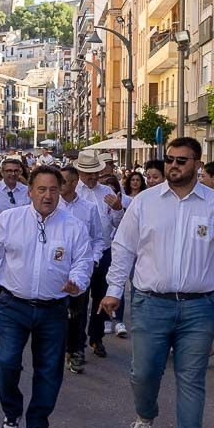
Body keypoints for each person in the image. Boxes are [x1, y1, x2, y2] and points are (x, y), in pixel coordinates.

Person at [100, 137, 214, 428]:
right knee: (144, 372)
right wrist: (112, 290)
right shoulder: (145, 203)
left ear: (198, 164)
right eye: (170, 159)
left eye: (182, 160)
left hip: (201, 305)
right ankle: (144, 416)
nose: (174, 166)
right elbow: (123, 248)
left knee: (192, 377)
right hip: (151, 303)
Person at [0, 166, 92, 428]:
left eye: (53, 189)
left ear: (61, 191)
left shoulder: (73, 225)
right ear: (30, 192)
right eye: (41, 189)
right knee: (6, 361)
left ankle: (38, 421)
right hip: (14, 305)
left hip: (54, 308)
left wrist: (76, 280)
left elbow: (84, 262)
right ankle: (11, 413)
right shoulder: (9, 219)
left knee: (49, 368)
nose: (48, 195)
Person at [72, 149, 124, 358]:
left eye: (95, 172)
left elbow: (118, 224)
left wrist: (119, 208)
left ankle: (97, 337)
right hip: (80, 255)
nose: (92, 176)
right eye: (87, 172)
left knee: (101, 297)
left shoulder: (106, 192)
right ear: (80, 172)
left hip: (104, 251)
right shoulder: (73, 192)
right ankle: (78, 343)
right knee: (79, 300)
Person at [57, 166, 108, 374]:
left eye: (63, 181)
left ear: (74, 182)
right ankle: (60, 348)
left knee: (78, 311)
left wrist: (94, 260)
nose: (59, 186)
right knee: (58, 311)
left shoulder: (88, 208)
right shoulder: (51, 205)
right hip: (56, 269)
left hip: (81, 267)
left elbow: (98, 239)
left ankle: (77, 350)